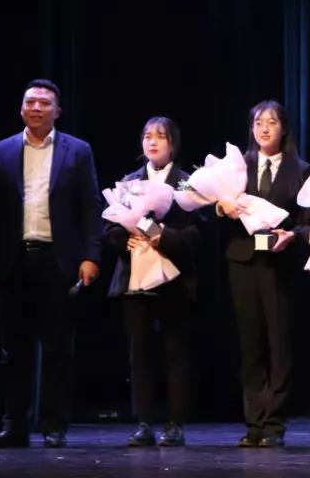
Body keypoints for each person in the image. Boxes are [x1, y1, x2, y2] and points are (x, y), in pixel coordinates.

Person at [0, 79, 102, 449]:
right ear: (21, 108)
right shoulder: (1, 151)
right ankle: (14, 425)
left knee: (58, 348)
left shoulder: (78, 151)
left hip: (57, 261)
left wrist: (91, 256)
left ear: (57, 111)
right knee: (13, 351)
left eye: (45, 103)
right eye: (30, 102)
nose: (36, 108)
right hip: (11, 261)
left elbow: (90, 207)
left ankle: (54, 426)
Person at [217, 100, 310, 448]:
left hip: (279, 263)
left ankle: (274, 423)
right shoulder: (237, 166)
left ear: (283, 128)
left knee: (279, 343)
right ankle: (254, 422)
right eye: (258, 123)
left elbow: (308, 220)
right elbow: (213, 209)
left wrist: (293, 235)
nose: (264, 128)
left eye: (271, 122)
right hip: (243, 260)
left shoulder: (300, 169)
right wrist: (221, 206)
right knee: (250, 342)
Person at [104, 117, 202, 448]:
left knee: (176, 352)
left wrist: (165, 237)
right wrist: (125, 239)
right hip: (135, 277)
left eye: (160, 136)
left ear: (173, 144)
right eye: (147, 136)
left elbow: (198, 232)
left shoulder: (187, 182)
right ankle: (143, 422)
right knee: (140, 353)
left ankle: (175, 424)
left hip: (174, 277)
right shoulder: (129, 182)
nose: (153, 142)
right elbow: (110, 227)